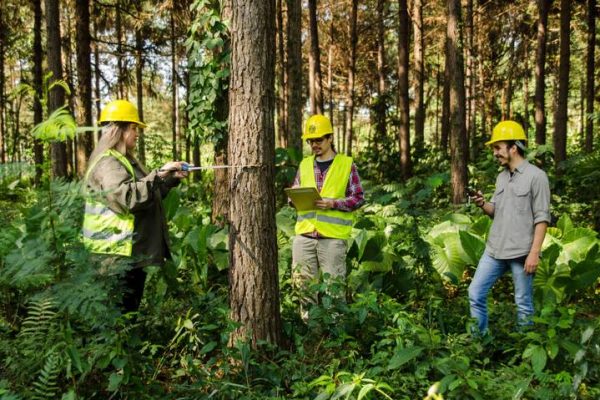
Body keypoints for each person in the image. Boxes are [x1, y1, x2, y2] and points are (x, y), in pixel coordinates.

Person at [82, 99, 188, 313]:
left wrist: (168, 179)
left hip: (128, 253)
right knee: (120, 316)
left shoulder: (124, 160)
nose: (137, 133)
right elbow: (128, 198)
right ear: (118, 130)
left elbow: (145, 195)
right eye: (133, 128)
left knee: (128, 313)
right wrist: (157, 175)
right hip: (115, 257)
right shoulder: (108, 163)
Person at [468, 120, 550, 335]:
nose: (495, 153)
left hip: (521, 253)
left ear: (513, 147)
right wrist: (482, 204)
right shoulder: (501, 177)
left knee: (523, 304)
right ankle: (480, 342)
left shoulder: (537, 177)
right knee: (475, 293)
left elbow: (542, 219)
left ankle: (524, 353)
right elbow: (495, 210)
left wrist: (534, 253)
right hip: (495, 249)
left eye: (498, 147)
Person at [290, 114, 364, 318]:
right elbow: (296, 191)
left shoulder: (346, 164)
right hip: (304, 236)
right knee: (303, 289)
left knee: (334, 290)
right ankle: (310, 334)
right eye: (311, 141)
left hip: (332, 239)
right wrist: (294, 198)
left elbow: (358, 198)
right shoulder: (304, 165)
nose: (315, 144)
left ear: (330, 138)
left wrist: (334, 203)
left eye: (319, 140)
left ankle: (335, 338)